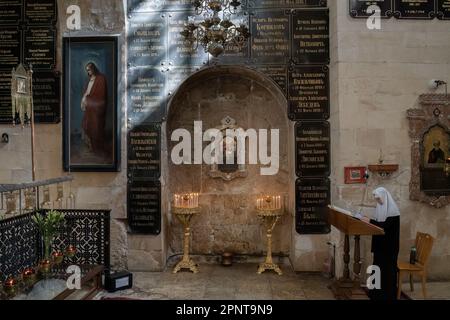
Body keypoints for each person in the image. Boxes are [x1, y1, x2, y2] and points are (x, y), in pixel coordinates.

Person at [363, 187, 400, 300]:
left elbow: (384, 227)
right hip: (380, 247)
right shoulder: (380, 209)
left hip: (389, 249)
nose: (378, 201)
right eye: (377, 199)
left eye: (379, 199)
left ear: (385, 197)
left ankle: (387, 295)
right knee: (377, 269)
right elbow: (377, 225)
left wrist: (369, 220)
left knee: (387, 272)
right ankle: (375, 294)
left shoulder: (394, 212)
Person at [81, 62, 107, 157]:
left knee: (95, 127)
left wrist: (88, 98)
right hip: (89, 107)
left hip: (96, 108)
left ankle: (97, 148)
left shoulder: (101, 78)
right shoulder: (90, 79)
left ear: (94, 68)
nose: (89, 72)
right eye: (87, 70)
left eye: (90, 69)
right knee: (87, 125)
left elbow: (100, 94)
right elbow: (88, 91)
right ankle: (91, 147)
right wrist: (85, 98)